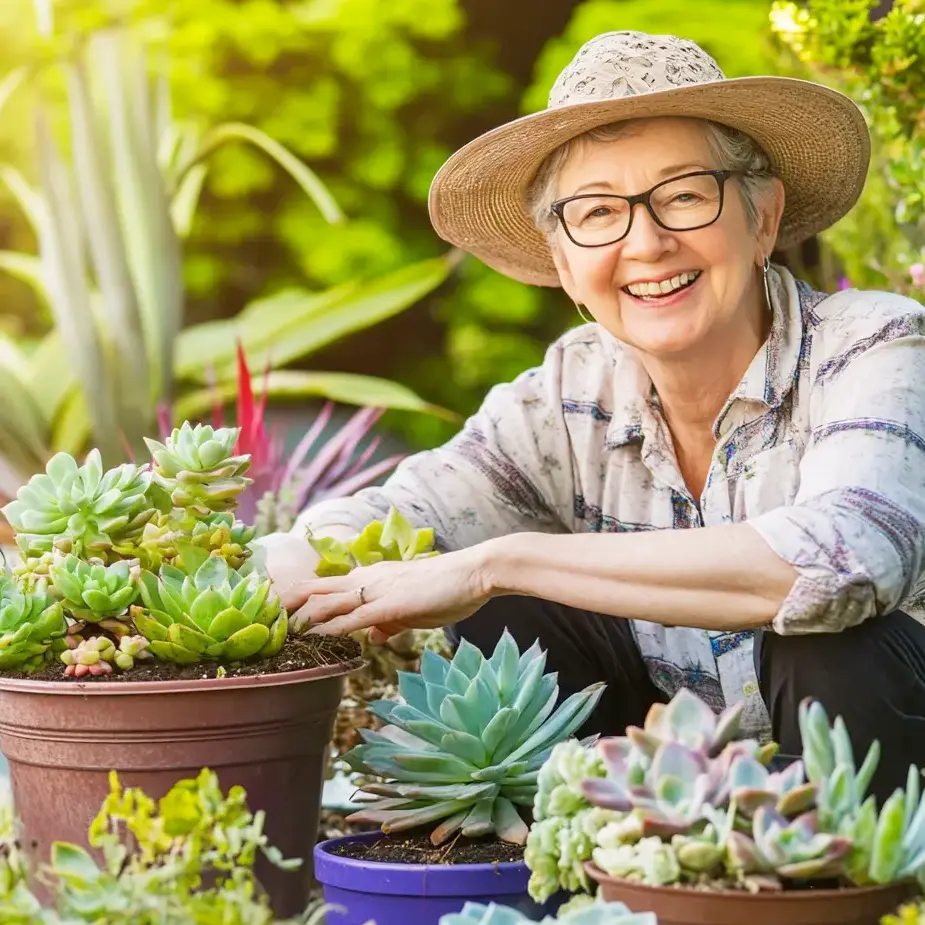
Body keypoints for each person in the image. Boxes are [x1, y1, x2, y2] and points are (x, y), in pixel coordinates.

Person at [261, 31, 925, 801]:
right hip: (678, 799)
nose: (645, 242)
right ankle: (600, 875)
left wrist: (497, 562)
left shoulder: (878, 341)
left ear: (763, 217)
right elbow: (402, 512)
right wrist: (284, 571)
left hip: (890, 802)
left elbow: (835, 562)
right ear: (564, 262)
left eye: (683, 194)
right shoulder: (572, 384)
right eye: (597, 212)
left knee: (829, 645)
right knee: (511, 618)